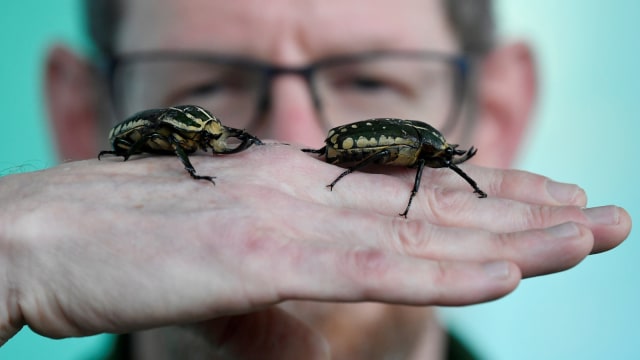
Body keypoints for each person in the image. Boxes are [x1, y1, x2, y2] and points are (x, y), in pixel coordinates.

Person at [0, 0, 631, 359]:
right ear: (80, 115)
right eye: (208, 83)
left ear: (498, 112)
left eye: (371, 80)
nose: (286, 144)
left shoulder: (430, 155)